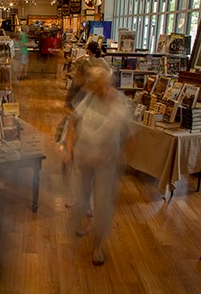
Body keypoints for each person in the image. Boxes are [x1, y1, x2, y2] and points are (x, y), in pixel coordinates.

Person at [63, 58, 134, 266]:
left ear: (108, 83)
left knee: (102, 206)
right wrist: (68, 150)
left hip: (106, 163)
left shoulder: (120, 104)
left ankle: (98, 247)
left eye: (100, 85)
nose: (97, 89)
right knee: (81, 198)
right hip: (83, 157)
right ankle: (79, 220)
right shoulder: (90, 98)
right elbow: (73, 123)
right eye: (94, 86)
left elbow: (129, 134)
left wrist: (122, 154)